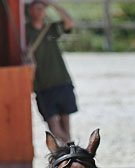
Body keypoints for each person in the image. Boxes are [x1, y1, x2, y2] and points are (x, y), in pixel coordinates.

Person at [26, 0, 77, 143]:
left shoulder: (51, 29)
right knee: (54, 129)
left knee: (66, 127)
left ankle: (68, 153)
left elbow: (70, 22)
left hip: (62, 82)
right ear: (30, 11)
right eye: (37, 9)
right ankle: (71, 148)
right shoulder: (25, 32)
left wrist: (52, 4)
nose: (40, 12)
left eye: (43, 8)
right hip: (43, 87)